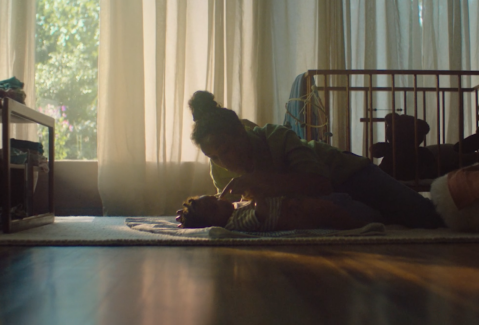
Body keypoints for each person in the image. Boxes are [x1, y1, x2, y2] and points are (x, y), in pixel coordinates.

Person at [188, 90, 445, 229]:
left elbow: (319, 184)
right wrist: (198, 214)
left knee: (425, 216)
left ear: (240, 133)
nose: (222, 161)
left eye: (225, 149)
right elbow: (232, 214)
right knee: (369, 218)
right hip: (324, 200)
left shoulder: (276, 137)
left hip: (347, 174)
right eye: (213, 157)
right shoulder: (219, 169)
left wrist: (261, 180)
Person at [176, 194, 375, 231]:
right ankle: (357, 228)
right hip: (297, 216)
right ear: (214, 225)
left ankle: (357, 216)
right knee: (329, 211)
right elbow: (261, 213)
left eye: (214, 198)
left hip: (293, 205)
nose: (220, 201)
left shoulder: (234, 211)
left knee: (334, 205)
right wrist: (260, 195)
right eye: (213, 207)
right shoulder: (234, 224)